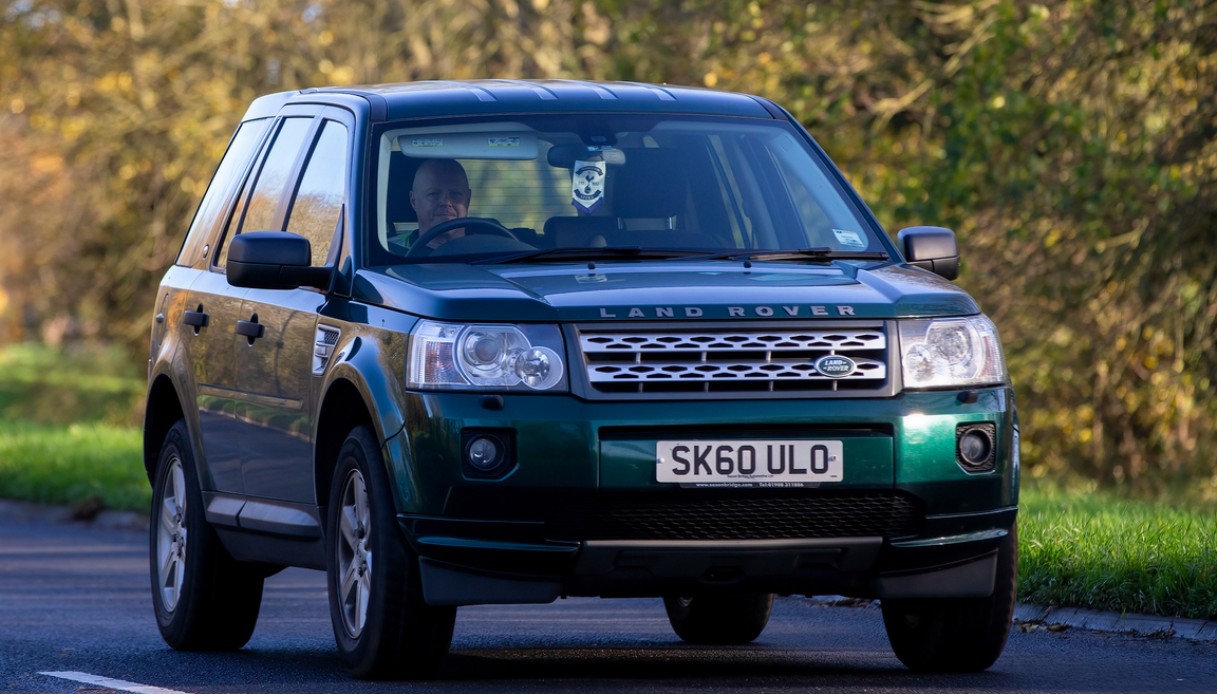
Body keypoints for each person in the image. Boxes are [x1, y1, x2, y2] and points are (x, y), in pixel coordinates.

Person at [408, 158, 471, 251]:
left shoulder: (491, 248)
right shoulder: (390, 251)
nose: (446, 202)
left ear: (468, 199)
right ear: (414, 201)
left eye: (455, 193)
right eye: (433, 194)